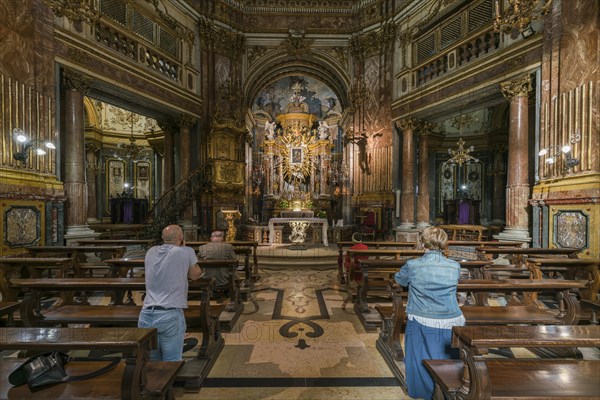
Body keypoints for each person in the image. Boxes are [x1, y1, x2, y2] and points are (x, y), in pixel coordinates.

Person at [393, 226, 464, 400]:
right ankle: (451, 389)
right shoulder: (454, 266)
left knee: (419, 355)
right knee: (448, 357)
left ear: (423, 242)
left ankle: (423, 390)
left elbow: (399, 279)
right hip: (451, 319)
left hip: (421, 318)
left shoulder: (413, 265)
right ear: (443, 243)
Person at [138, 224, 203, 361]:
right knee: (172, 361)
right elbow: (195, 275)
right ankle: (169, 383)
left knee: (152, 362)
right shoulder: (186, 251)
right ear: (181, 237)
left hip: (146, 313)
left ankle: (154, 383)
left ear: (162, 238)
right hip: (170, 314)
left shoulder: (151, 251)